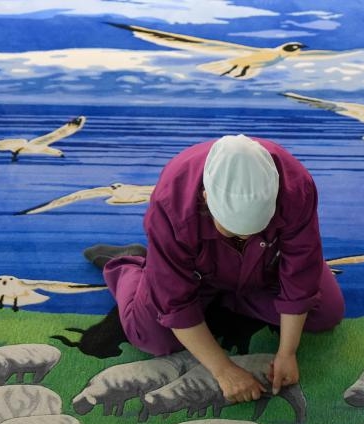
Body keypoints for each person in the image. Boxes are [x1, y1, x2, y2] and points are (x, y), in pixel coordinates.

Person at [87, 134, 345, 404]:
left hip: (263, 265)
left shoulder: (296, 186)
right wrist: (224, 370)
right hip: (199, 273)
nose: (241, 238)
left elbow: (301, 265)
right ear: (205, 197)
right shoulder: (171, 200)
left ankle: (222, 303)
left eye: (251, 230)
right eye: (231, 230)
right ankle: (130, 265)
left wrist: (287, 352)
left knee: (325, 312)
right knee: (151, 337)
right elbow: (173, 302)